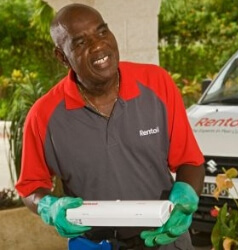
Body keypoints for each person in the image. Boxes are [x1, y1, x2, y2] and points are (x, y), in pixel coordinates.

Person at [15, 3, 205, 250]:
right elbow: (30, 187)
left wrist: (186, 198)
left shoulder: (157, 83)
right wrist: (48, 207)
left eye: (102, 31)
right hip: (94, 244)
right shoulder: (43, 115)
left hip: (164, 238)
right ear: (62, 56)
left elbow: (190, 160)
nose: (98, 45)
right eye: (80, 43)